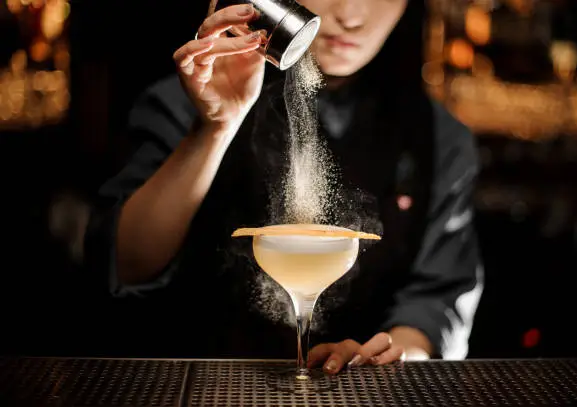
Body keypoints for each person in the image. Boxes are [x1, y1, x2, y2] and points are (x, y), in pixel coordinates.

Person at [85, 0, 484, 372]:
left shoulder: (439, 137)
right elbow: (126, 266)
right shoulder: (186, 96)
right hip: (207, 381)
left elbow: (437, 297)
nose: (351, 14)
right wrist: (214, 128)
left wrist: (390, 355)